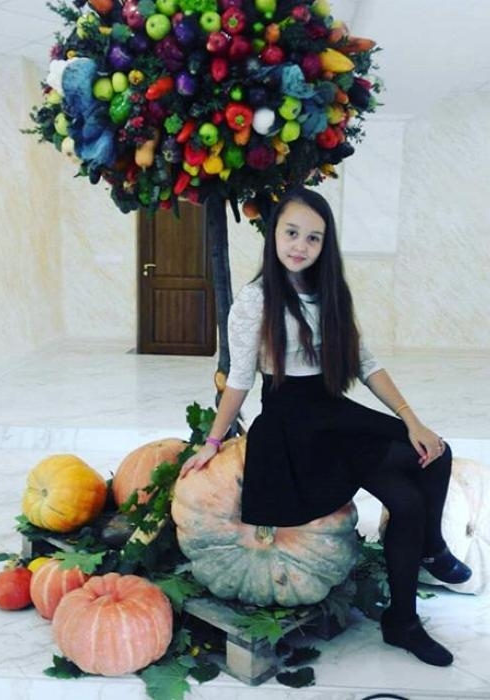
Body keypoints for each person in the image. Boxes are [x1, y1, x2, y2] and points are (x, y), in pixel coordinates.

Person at [180, 186, 471, 667]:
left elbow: (367, 363)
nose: (300, 246)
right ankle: (410, 605)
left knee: (435, 453)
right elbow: (240, 379)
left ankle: (425, 560)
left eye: (313, 238)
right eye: (292, 233)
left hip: (333, 411)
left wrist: (412, 420)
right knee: (407, 501)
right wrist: (213, 440)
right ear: (274, 233)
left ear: (324, 244)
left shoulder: (330, 293)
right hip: (292, 428)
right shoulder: (255, 300)